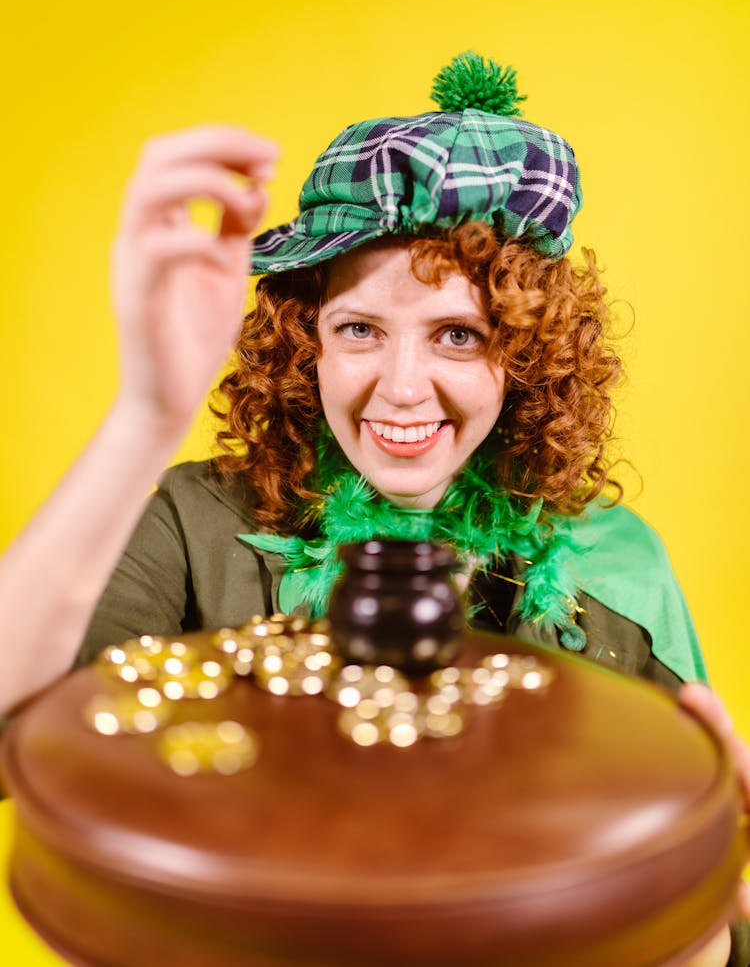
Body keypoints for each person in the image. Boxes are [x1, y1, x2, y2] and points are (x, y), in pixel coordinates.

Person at [0, 52, 747, 965]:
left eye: (458, 335)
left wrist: (707, 894)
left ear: (530, 359)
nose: (402, 389)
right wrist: (142, 418)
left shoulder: (616, 565)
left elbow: (685, 924)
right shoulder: (197, 521)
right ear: (303, 340)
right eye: (360, 328)